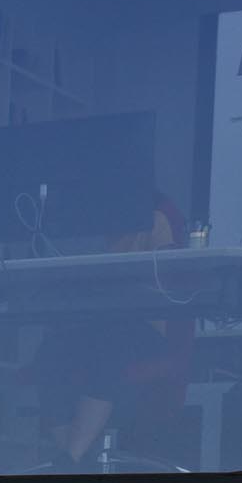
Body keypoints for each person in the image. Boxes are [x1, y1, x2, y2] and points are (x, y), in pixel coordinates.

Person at [29, 193, 197, 467]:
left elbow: (167, 277)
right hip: (97, 325)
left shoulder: (156, 217)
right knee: (51, 350)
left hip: (144, 330)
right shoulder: (91, 223)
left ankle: (70, 459)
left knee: (110, 348)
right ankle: (72, 459)